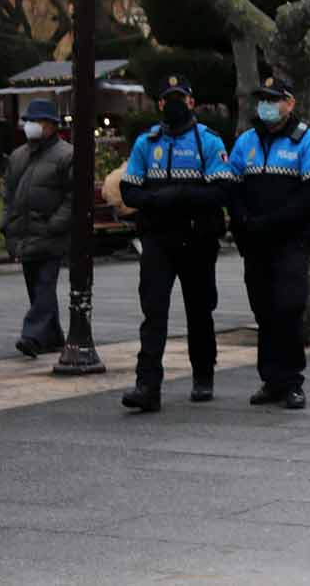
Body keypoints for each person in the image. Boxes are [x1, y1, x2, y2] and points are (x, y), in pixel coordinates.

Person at [117, 75, 233, 412]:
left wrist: (180, 195)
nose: (174, 104)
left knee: (200, 312)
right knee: (153, 313)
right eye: (168, 98)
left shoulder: (208, 142)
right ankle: (147, 385)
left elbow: (221, 191)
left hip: (197, 240)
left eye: (180, 97)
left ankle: (203, 375)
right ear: (160, 104)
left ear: (192, 103)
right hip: (158, 240)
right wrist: (159, 202)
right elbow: (130, 190)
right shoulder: (146, 143)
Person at [228, 76, 310, 410]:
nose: (267, 105)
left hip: (291, 239)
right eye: (263, 99)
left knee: (288, 306)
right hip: (255, 240)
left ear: (290, 104)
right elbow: (233, 186)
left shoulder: (307, 141)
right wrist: (242, 220)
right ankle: (271, 379)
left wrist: (274, 221)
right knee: (264, 310)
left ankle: (291, 381)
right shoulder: (247, 141)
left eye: (274, 99)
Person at [0, 99, 72, 357]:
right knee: (36, 287)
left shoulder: (65, 154)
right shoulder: (19, 155)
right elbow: (8, 193)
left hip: (50, 234)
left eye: (38, 121)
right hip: (25, 233)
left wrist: (55, 224)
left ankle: (32, 334)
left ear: (52, 125)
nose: (31, 126)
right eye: (29, 120)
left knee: (44, 286)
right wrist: (6, 224)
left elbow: (72, 196)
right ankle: (52, 337)